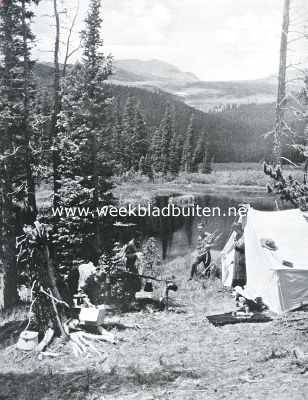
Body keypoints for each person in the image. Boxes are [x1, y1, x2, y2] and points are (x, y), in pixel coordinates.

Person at [232, 221, 246, 288]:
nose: (235, 231)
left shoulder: (244, 235)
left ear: (239, 228)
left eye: (236, 229)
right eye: (234, 230)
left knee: (241, 268)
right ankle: (236, 283)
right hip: (237, 253)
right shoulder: (236, 236)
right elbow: (235, 244)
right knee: (236, 268)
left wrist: (236, 244)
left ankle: (241, 284)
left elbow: (241, 245)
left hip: (242, 253)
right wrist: (236, 243)